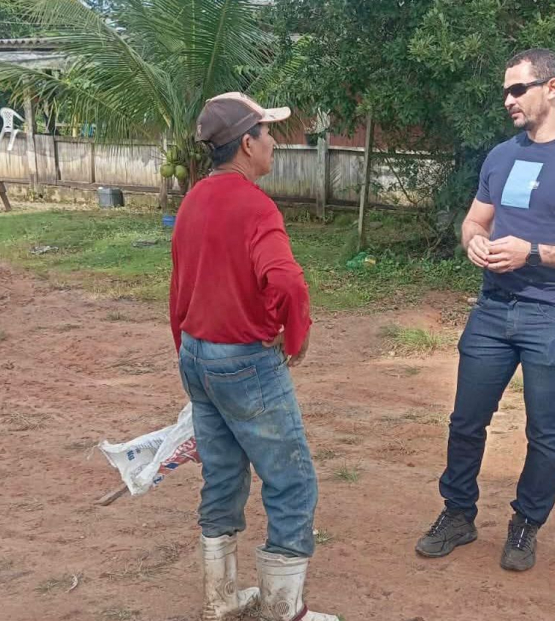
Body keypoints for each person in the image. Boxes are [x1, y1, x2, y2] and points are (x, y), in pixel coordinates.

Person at [415, 48, 555, 571]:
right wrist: (473, 241)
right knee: (466, 420)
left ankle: (526, 524)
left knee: (543, 429)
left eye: (518, 89)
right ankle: (458, 514)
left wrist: (533, 252)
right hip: (492, 308)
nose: (507, 99)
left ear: (551, 88)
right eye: (505, 91)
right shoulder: (502, 156)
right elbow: (475, 221)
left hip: (551, 313)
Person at [170, 92, 337, 621]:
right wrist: (294, 335)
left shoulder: (194, 199)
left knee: (221, 475)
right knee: (290, 478)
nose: (274, 143)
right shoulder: (256, 205)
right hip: (243, 361)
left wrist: (189, 354)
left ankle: (220, 600)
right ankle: (283, 610)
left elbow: (180, 286)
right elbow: (285, 280)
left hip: (198, 355)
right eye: (268, 133)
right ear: (246, 143)